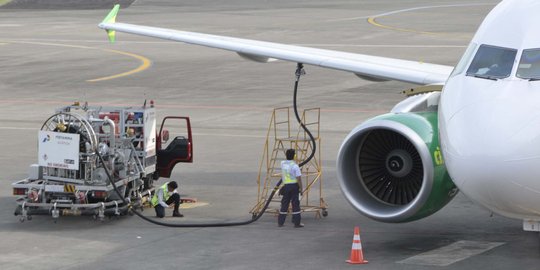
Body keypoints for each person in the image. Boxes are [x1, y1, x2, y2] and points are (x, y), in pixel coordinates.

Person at [278, 149, 304, 228]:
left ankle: (280, 222)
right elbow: (299, 179)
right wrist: (301, 189)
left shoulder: (282, 163)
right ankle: (297, 223)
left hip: (285, 186)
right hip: (294, 187)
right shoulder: (295, 166)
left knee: (284, 204)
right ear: (294, 156)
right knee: (295, 205)